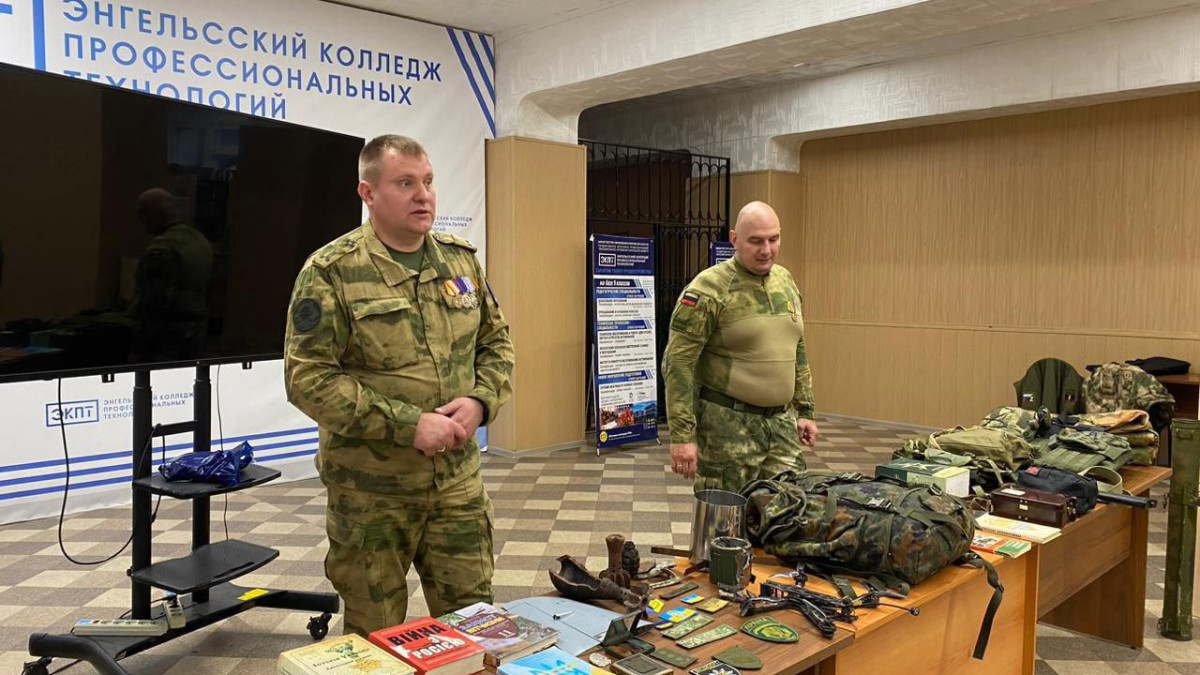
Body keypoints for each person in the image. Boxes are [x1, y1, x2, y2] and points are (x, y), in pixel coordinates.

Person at [283, 135, 514, 637]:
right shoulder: (331, 272)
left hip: (456, 485)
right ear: (368, 193)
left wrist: (480, 401)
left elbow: (496, 344)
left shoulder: (460, 261)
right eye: (405, 183)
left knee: (474, 623)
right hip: (372, 494)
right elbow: (308, 379)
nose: (423, 195)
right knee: (374, 632)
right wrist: (408, 425)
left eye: (427, 181)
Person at [661, 201, 818, 494]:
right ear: (734, 239)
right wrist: (682, 436)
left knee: (788, 510)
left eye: (773, 239)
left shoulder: (785, 281)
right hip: (727, 429)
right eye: (756, 241)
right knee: (724, 516)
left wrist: (805, 409)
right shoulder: (709, 289)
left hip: (781, 427)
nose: (766, 250)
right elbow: (678, 364)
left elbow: (796, 348)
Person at [129, 188, 213, 361]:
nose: (140, 221)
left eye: (142, 213)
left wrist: (139, 347)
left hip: (167, 338)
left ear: (155, 213)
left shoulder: (163, 248)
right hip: (196, 332)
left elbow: (155, 303)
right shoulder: (199, 240)